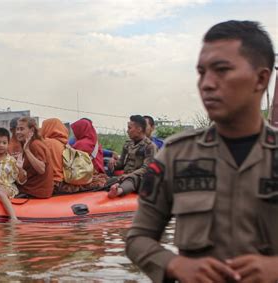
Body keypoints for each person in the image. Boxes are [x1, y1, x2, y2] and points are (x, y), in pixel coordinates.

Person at [126, 20, 278, 283]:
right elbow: (138, 238)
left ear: (261, 78)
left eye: (221, 70)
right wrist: (174, 264)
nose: (206, 84)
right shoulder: (176, 155)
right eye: (201, 72)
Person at [0, 128, 26, 223]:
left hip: (8, 187)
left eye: (4, 143)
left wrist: (20, 169)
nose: (1, 145)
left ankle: (14, 218)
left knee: (0, 192)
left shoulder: (11, 160)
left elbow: (20, 180)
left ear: (8, 144)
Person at [107, 115, 156, 198]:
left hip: (140, 178)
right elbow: (121, 163)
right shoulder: (128, 144)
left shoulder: (150, 146)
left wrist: (130, 175)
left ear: (139, 129)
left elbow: (147, 168)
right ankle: (114, 186)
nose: (127, 131)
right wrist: (113, 164)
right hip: (125, 176)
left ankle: (118, 191)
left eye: (130, 128)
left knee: (132, 179)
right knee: (109, 181)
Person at [16, 117, 54, 198]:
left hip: (35, 191)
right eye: (17, 129)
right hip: (32, 188)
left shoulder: (35, 144)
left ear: (32, 131)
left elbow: (41, 169)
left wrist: (27, 150)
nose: (18, 132)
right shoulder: (27, 144)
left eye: (22, 129)